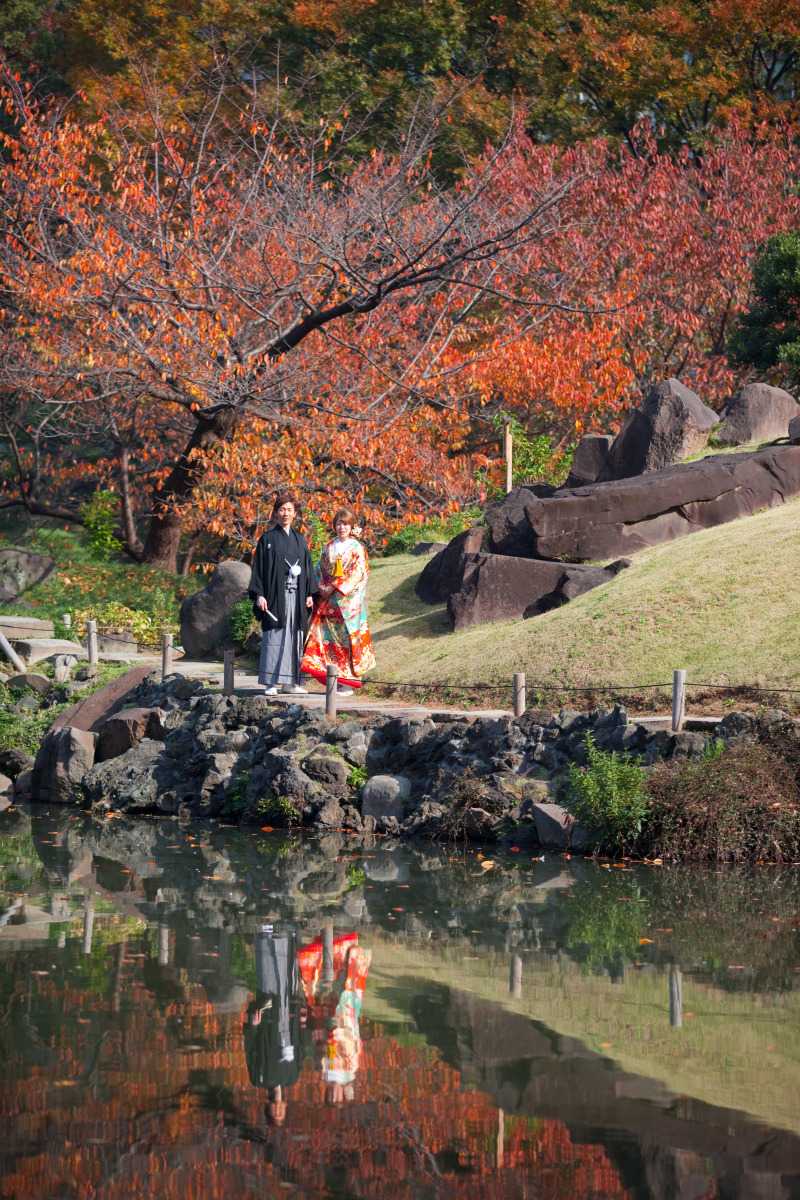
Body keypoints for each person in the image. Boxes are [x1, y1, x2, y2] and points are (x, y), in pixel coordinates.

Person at [301, 507, 375, 698]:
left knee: (347, 642)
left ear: (352, 527)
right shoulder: (328, 547)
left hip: (347, 603)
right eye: (338, 524)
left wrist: (333, 587)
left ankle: (348, 683)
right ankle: (333, 680)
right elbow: (319, 570)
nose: (341, 527)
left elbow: (357, 574)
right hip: (328, 602)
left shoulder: (357, 549)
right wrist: (320, 588)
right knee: (328, 641)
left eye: (345, 524)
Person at [248, 492, 317, 696]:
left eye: (289, 510)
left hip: (296, 595)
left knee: (295, 636)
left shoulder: (299, 539)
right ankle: (271, 683)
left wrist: (310, 593)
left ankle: (290, 683)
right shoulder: (267, 538)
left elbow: (307, 567)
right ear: (276, 513)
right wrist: (259, 594)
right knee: (274, 636)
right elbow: (258, 568)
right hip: (275, 595)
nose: (286, 513)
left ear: (295, 513)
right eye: (282, 510)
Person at [243, 925, 304, 1127]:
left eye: (273, 1112)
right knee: (290, 979)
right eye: (280, 1112)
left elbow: (251, 1050)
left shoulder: (258, 1079)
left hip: (269, 1023)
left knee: (269, 977)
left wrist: (252, 1027)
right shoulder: (292, 1078)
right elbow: (302, 1048)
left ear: (266, 1109)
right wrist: (304, 1023)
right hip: (289, 1021)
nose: (277, 1108)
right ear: (285, 1107)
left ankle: (266, 931)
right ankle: (289, 932)